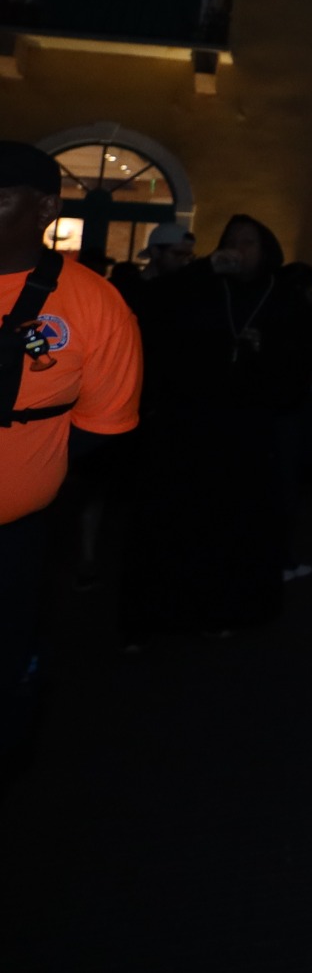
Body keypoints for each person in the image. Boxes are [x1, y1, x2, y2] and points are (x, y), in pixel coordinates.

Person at [0, 142, 141, 777]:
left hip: (18, 535)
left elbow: (103, 429)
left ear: (46, 209)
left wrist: (30, 465)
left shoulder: (94, 304)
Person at [122, 216, 312, 640]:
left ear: (265, 250)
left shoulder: (284, 297)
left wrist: (263, 350)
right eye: (230, 242)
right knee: (185, 522)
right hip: (193, 428)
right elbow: (151, 312)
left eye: (247, 242)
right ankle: (177, 610)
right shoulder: (204, 286)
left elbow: (300, 359)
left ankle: (233, 609)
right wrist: (204, 269)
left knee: (241, 526)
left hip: (250, 432)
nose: (237, 250)